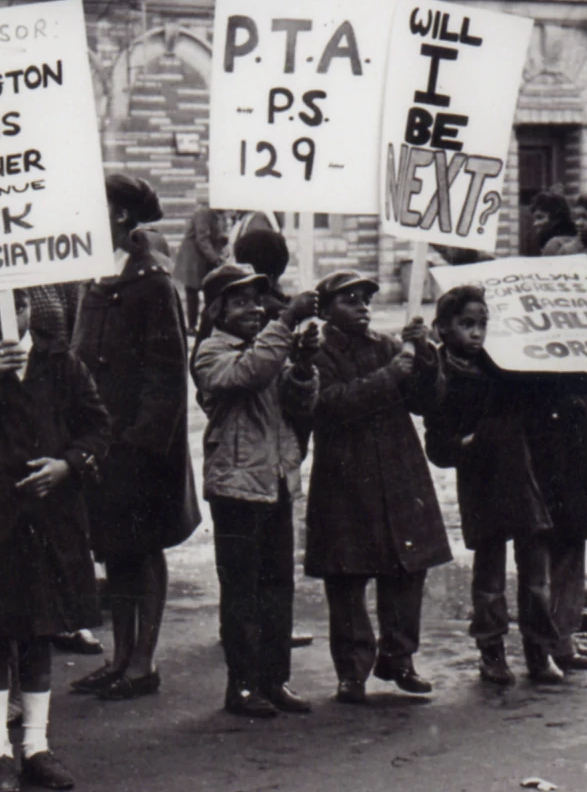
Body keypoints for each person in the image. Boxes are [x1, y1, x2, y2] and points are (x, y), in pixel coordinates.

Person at [0, 290, 110, 792]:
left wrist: (66, 466)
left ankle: (35, 743)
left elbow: (98, 427)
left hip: (48, 519)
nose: (9, 318)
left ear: (34, 308)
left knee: (39, 631)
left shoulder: (60, 362)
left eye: (20, 306)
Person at [425, 286, 587, 685]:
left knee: (535, 575)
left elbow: (543, 394)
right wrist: (468, 444)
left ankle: (539, 651)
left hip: (526, 483)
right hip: (482, 485)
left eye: (482, 324)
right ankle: (491, 651)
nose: (476, 333)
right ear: (441, 329)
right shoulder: (440, 375)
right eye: (466, 325)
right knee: (489, 577)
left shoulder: (503, 366)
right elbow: (437, 445)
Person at [70, 173, 201, 701]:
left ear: (121, 216)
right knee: (115, 550)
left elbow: (166, 376)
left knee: (142, 550)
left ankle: (142, 663)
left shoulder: (153, 284)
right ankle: (120, 657)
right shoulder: (94, 279)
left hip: (141, 450)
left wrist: (139, 445)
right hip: (104, 443)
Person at [303, 270, 452, 704]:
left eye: (366, 299)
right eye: (350, 300)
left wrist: (424, 355)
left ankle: (399, 657)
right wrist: (391, 375)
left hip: (398, 469)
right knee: (347, 577)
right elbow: (330, 404)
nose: (362, 306)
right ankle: (352, 671)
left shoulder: (388, 346)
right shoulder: (318, 353)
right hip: (345, 478)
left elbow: (427, 402)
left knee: (407, 568)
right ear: (326, 310)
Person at [190, 263, 319, 719]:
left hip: (275, 482)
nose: (253, 309)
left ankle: (274, 679)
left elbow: (300, 405)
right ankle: (241, 685)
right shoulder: (209, 352)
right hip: (236, 486)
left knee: (277, 588)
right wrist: (285, 326)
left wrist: (302, 366)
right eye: (240, 301)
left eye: (256, 301)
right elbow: (245, 375)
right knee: (241, 590)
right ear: (218, 310)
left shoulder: (271, 346)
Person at [172, 194, 239, 332]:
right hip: (193, 259)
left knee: (207, 289)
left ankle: (203, 324)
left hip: (203, 259)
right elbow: (202, 239)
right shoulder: (203, 212)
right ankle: (192, 326)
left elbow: (217, 236)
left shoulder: (217, 215)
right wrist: (216, 258)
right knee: (192, 291)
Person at [531, 189, 581, 256]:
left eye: (540, 217)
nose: (535, 224)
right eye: (535, 219)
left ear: (556, 219)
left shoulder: (554, 244)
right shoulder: (576, 241)